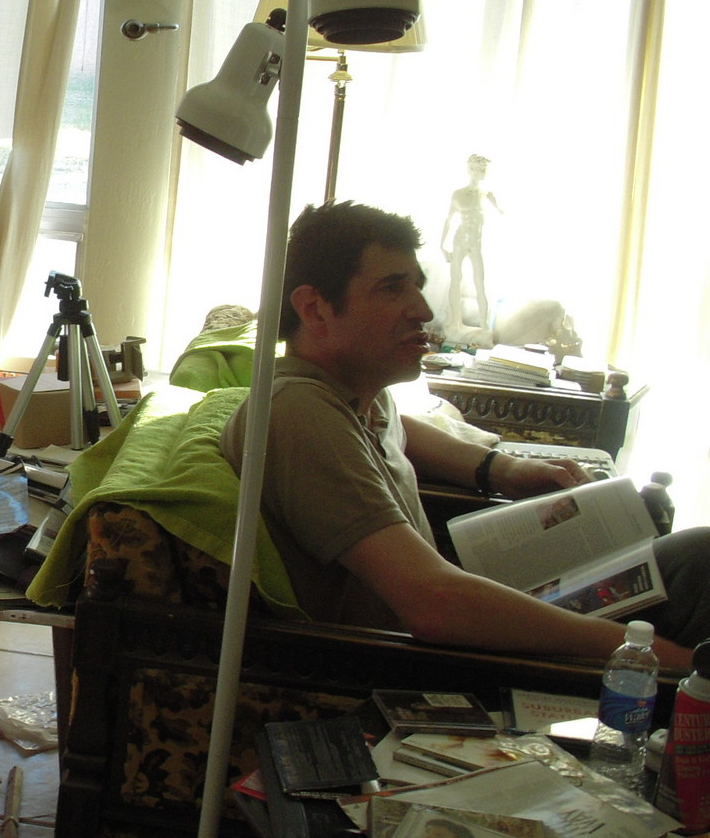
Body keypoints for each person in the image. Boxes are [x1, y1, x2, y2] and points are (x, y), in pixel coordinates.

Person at [219, 200, 708, 671]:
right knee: (698, 576)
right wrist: (665, 660)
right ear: (314, 308)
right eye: (392, 288)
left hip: (456, 608)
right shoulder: (297, 413)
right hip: (422, 661)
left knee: (693, 556)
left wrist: (502, 468)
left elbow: (399, 432)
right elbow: (434, 604)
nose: (422, 310)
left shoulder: (357, 396)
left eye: (417, 286)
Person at [440, 153, 501, 332]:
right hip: (459, 240)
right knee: (456, 281)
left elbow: (504, 213)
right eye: (481, 169)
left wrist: (500, 207)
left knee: (479, 282)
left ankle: (484, 324)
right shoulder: (458, 194)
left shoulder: (486, 194)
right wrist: (442, 245)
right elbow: (448, 220)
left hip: (476, 243)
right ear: (472, 170)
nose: (484, 173)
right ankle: (455, 322)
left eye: (485, 170)